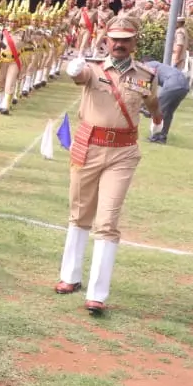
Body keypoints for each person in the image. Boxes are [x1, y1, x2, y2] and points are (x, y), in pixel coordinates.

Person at [55, 17, 161, 315]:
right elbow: (77, 74)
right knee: (79, 212)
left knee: (107, 221)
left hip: (123, 152)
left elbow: (153, 102)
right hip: (88, 146)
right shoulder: (94, 70)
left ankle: (96, 294)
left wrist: (157, 115)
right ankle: (70, 277)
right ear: (107, 41)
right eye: (114, 39)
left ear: (134, 42)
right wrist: (73, 67)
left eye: (125, 39)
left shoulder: (146, 75)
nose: (119, 44)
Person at [141, 59, 188, 143]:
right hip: (184, 86)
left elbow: (148, 85)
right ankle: (162, 137)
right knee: (168, 113)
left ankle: (155, 137)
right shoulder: (160, 66)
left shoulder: (147, 66)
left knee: (158, 112)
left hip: (172, 84)